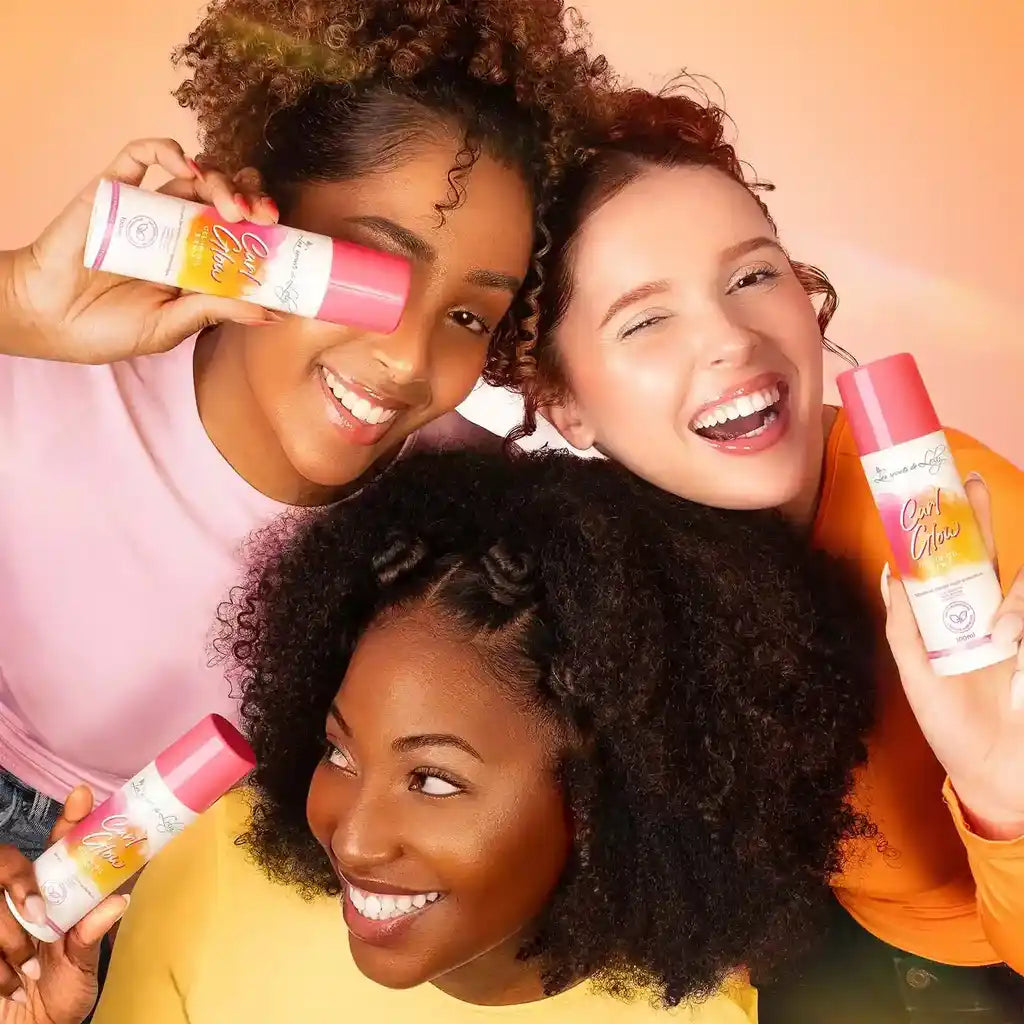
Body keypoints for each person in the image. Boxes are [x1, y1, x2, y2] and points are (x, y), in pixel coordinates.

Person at [0, 0, 612, 860]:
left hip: (228, 881)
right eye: (373, 272)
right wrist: (18, 298)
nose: (406, 358)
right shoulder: (42, 375)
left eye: (470, 316)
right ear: (251, 217)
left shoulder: (471, 513)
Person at [0, 449, 879, 1021]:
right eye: (340, 752)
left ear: (610, 795)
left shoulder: (691, 1014)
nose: (353, 837)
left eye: (432, 779)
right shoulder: (217, 866)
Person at [518, 86, 1024, 1021]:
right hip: (810, 950)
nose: (730, 338)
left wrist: (1006, 796)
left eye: (753, 275)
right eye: (645, 319)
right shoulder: (610, 547)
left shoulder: (955, 528)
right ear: (565, 405)